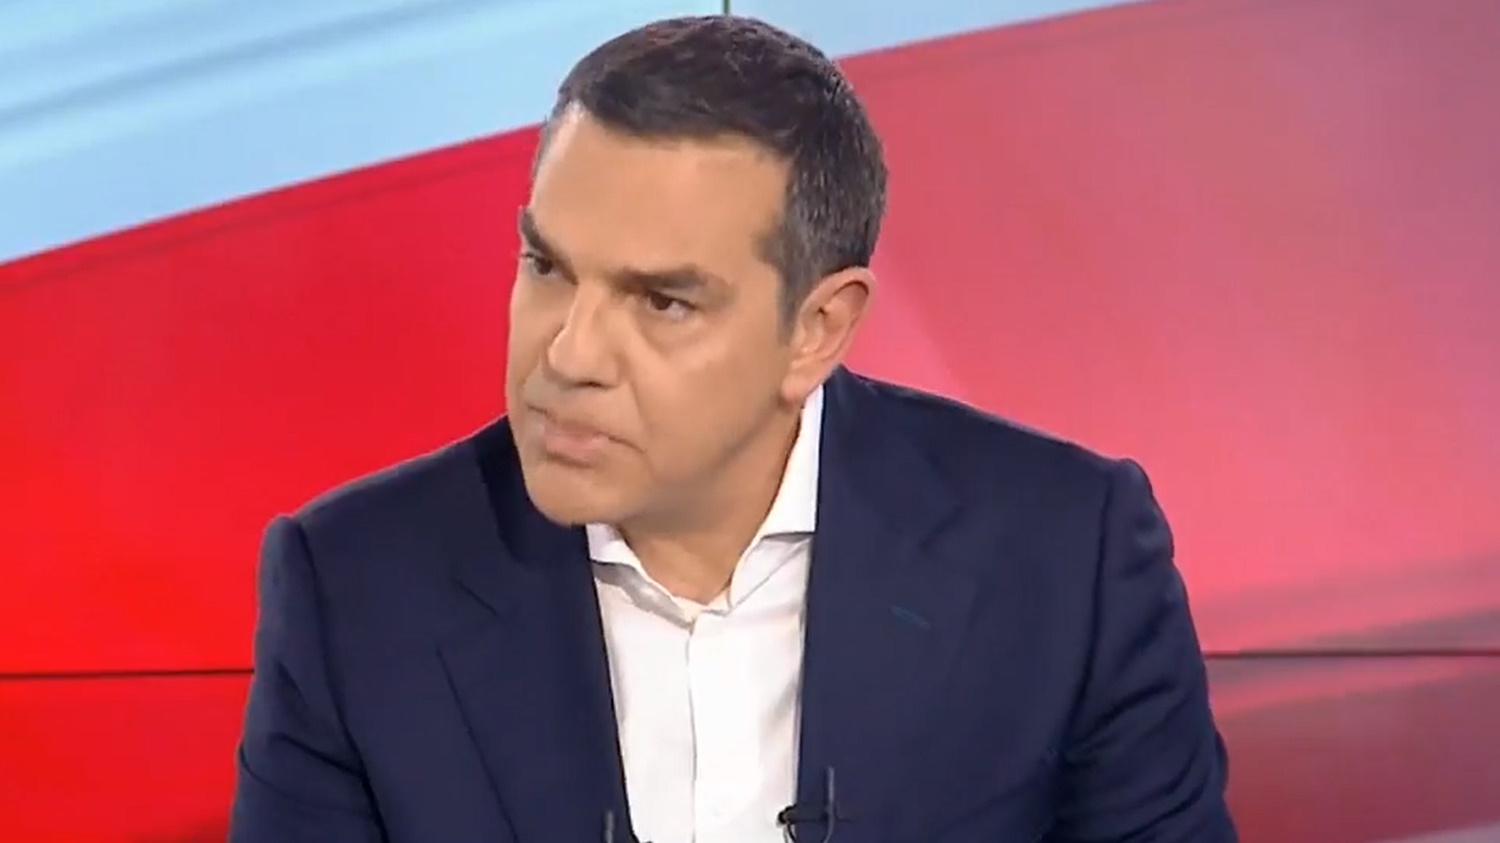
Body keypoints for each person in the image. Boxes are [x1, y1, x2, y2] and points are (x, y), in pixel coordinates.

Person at [229, 14, 1236, 843]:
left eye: (662, 301)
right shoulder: (357, 589)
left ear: (817, 329)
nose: (569, 354)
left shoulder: (1064, 560)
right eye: (547, 267)